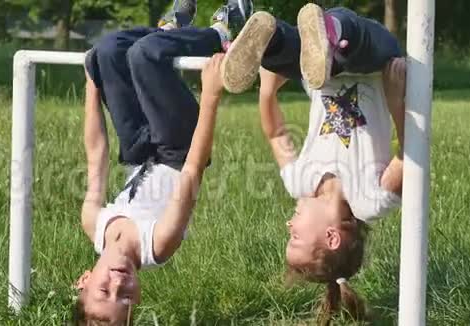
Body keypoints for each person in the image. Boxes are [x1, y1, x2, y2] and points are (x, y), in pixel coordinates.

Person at [221, 4, 406, 324]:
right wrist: (396, 99)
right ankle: (330, 32)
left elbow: (277, 134)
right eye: (295, 238)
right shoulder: (369, 202)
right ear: (332, 237)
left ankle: (271, 39)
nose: (288, 226)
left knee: (290, 55)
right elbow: (409, 156)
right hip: (373, 63)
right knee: (352, 41)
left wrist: (267, 92)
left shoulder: (300, 184)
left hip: (318, 70)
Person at [73, 0, 254, 324]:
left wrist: (92, 84)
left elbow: (96, 154)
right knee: (146, 55)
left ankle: (171, 30)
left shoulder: (93, 224)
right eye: (126, 296)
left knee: (107, 52)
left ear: (84, 282)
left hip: (138, 151)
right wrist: (211, 96)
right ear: (139, 294)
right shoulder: (157, 243)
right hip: (179, 150)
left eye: (104, 292)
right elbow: (193, 171)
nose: (118, 283)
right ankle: (222, 32)